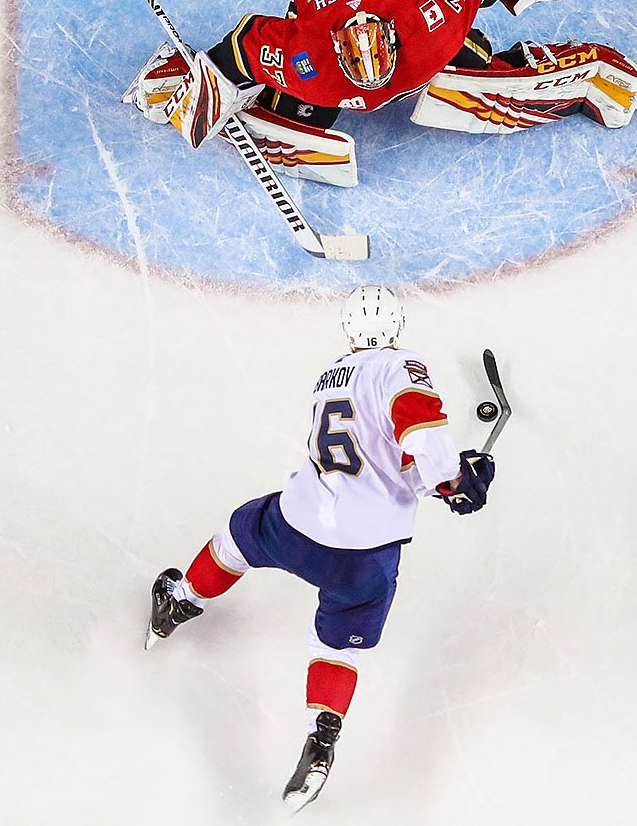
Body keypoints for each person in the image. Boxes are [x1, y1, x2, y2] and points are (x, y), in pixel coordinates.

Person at [145, 285, 497, 812]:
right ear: (397, 329)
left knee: (239, 534)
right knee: (337, 645)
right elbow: (418, 446)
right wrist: (456, 480)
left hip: (300, 523)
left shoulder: (328, 375)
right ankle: (322, 736)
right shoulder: (401, 367)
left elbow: (376, 455)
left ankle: (180, 599)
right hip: (366, 554)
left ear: (349, 333)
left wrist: (444, 479)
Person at [123, 0, 637, 187]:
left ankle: (579, 73)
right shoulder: (304, 54)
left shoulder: (426, 23)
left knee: (474, 76)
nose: (371, 93)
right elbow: (243, 46)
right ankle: (286, 113)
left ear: (396, 41)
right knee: (297, 105)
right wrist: (197, 80)